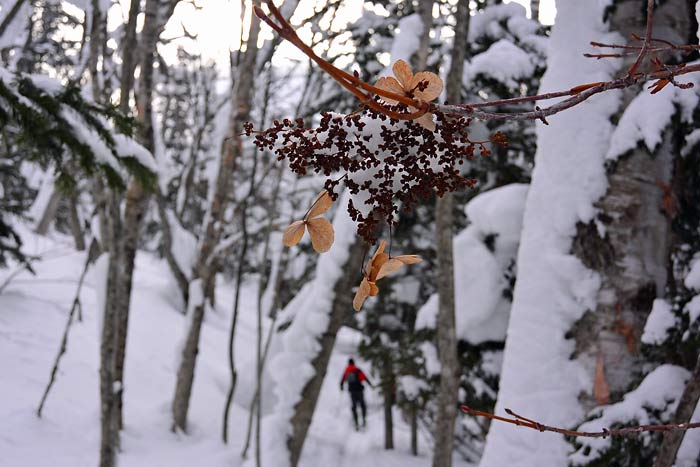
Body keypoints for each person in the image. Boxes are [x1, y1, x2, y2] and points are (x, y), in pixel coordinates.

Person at [340, 358, 373, 430]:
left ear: (348, 363)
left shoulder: (347, 371)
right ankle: (364, 420)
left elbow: (342, 380)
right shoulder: (357, 370)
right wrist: (370, 385)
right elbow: (364, 378)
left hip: (352, 392)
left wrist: (341, 387)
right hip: (359, 391)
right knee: (362, 405)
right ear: (354, 363)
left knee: (354, 406)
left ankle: (356, 423)